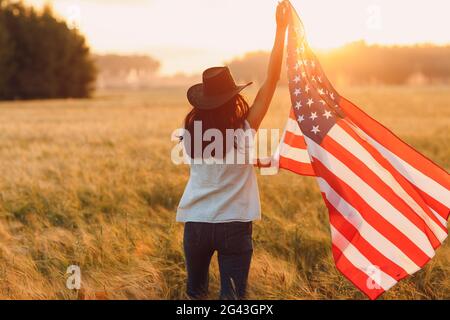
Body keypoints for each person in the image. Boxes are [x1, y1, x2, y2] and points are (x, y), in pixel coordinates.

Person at [177, 1, 291, 300]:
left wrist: (251, 160)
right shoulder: (245, 130)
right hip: (234, 226)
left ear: (202, 102)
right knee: (233, 300)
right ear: (233, 99)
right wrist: (281, 30)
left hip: (196, 224)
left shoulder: (190, 133)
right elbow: (271, 81)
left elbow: (216, 161)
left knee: (195, 294)